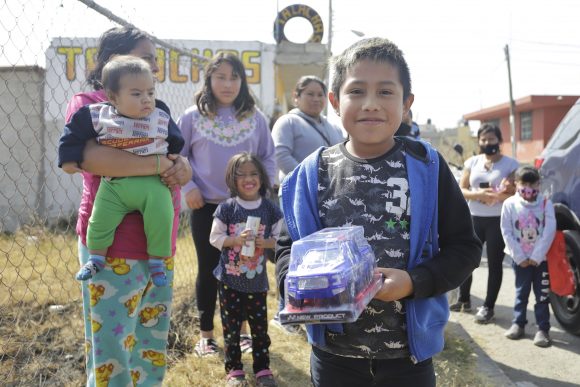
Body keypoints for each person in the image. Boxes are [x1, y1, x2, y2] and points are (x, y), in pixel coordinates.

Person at [278, 37, 481, 386]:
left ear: (406, 105)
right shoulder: (312, 174)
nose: (370, 104)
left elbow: (464, 248)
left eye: (385, 92)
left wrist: (414, 282)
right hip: (333, 358)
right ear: (334, 102)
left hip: (408, 358)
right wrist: (296, 290)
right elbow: (287, 248)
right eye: (356, 91)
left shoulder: (427, 167)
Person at [61, 26, 192, 386]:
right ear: (110, 61)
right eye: (143, 56)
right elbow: (92, 158)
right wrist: (157, 166)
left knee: (150, 343)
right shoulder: (89, 105)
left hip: (158, 247)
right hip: (112, 247)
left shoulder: (154, 110)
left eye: (154, 59)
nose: (152, 65)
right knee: (112, 351)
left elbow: (175, 155)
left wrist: (182, 168)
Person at [178, 52, 276, 357]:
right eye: (220, 76)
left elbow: (268, 157)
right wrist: (189, 186)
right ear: (209, 79)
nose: (228, 83)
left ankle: (242, 333)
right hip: (205, 206)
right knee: (209, 269)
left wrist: (262, 192)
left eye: (234, 77)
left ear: (242, 81)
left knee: (245, 269)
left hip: (245, 209)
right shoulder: (192, 117)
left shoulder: (255, 117)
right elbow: (178, 156)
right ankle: (206, 335)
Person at [60, 55, 184, 287]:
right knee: (99, 220)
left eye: (150, 92)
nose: (146, 100)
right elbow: (72, 134)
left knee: (162, 217)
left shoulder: (160, 113)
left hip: (153, 185)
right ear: (113, 97)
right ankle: (96, 258)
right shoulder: (97, 114)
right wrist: (68, 159)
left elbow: (176, 139)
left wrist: (176, 156)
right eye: (136, 94)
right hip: (114, 185)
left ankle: (157, 261)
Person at [270, 75, 344, 334]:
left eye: (320, 94)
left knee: (319, 256)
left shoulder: (333, 127)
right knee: (294, 252)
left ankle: (316, 308)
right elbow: (281, 154)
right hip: (295, 198)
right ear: (296, 96)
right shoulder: (287, 122)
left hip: (328, 200)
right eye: (309, 93)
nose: (315, 99)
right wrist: (305, 183)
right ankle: (285, 312)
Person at [209, 152, 283, 387]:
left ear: (261, 177)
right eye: (241, 175)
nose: (248, 179)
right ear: (232, 179)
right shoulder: (227, 208)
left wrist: (267, 243)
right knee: (231, 328)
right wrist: (235, 240)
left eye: (253, 174)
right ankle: (234, 370)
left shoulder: (270, 209)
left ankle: (262, 369)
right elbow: (214, 238)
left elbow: (281, 237)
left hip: (256, 282)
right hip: (229, 279)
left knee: (259, 328)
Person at [451, 123, 519, 324]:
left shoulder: (510, 164)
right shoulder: (472, 162)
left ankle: (488, 307)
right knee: (467, 260)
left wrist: (498, 196)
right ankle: (464, 299)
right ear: (478, 141)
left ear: (499, 140)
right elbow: (461, 190)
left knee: (495, 264)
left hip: (498, 220)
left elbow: (514, 191)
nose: (487, 143)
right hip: (473, 218)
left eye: (491, 139)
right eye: (483, 139)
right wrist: (479, 194)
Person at [500, 166, 556, 347]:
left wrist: (537, 255)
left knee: (542, 296)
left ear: (539, 184)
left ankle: (543, 329)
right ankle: (518, 323)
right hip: (520, 260)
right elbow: (506, 231)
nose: (528, 187)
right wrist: (519, 256)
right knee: (521, 292)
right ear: (516, 183)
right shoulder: (509, 204)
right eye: (524, 183)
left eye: (532, 183)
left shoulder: (546, 203)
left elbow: (549, 230)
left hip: (541, 261)